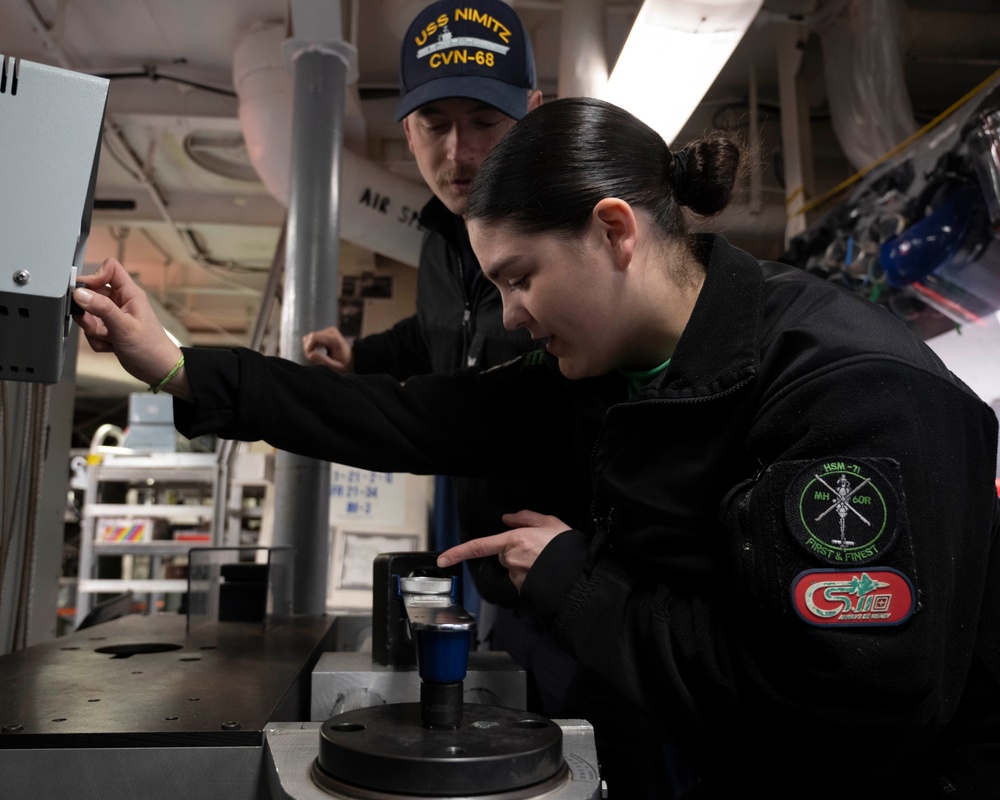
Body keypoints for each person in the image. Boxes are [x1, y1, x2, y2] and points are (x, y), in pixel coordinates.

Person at [72, 96, 1000, 797]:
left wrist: (572, 576)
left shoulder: (851, 395)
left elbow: (844, 707)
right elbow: (397, 412)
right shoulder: (596, 373)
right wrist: (178, 366)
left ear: (612, 231)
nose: (509, 315)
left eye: (520, 280)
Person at [300, 0, 597, 747]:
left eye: (484, 122)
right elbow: (440, 331)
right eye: (436, 125)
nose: (459, 154)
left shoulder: (574, 232)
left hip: (588, 581)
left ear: (532, 115)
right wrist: (363, 354)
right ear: (406, 128)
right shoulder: (442, 243)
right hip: (495, 579)